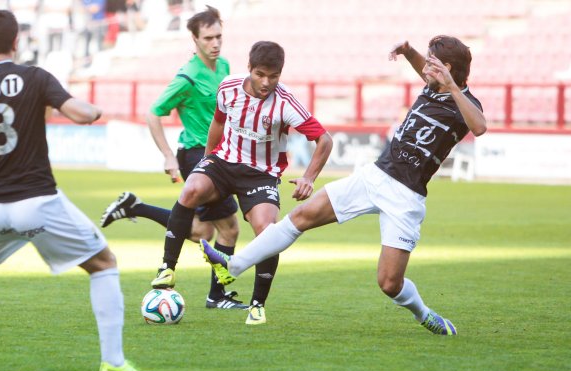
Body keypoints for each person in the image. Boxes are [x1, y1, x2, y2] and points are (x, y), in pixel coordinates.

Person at [200, 35, 487, 335]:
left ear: (448, 68)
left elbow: (479, 126)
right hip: (375, 175)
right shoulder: (432, 85)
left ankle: (424, 314)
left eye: (432, 62)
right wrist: (409, 52)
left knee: (389, 283)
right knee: (300, 217)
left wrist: (452, 85)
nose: (425, 66)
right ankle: (232, 267)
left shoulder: (462, 104)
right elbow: (426, 71)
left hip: (405, 196)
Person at [0, 10, 155, 371]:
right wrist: (94, 110)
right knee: (103, 263)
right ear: (17, 41)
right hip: (37, 204)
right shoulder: (34, 76)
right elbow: (81, 114)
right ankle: (113, 362)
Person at [154, 40, 333, 325]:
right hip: (224, 163)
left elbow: (324, 139)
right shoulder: (228, 87)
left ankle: (257, 305)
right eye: (260, 74)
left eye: (273, 76)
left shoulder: (285, 103)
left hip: (261, 174)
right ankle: (167, 268)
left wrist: (309, 178)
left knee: (267, 230)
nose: (266, 82)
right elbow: (218, 123)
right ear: (249, 68)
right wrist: (207, 159)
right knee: (191, 190)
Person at [99, 6, 245, 310]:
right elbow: (153, 113)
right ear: (194, 39)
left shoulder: (224, 66)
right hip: (196, 155)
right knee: (229, 227)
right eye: (208, 38)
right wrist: (167, 155)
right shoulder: (187, 77)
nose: (216, 43)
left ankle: (134, 206)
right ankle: (216, 297)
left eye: (219, 36)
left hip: (218, 155)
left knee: (201, 231)